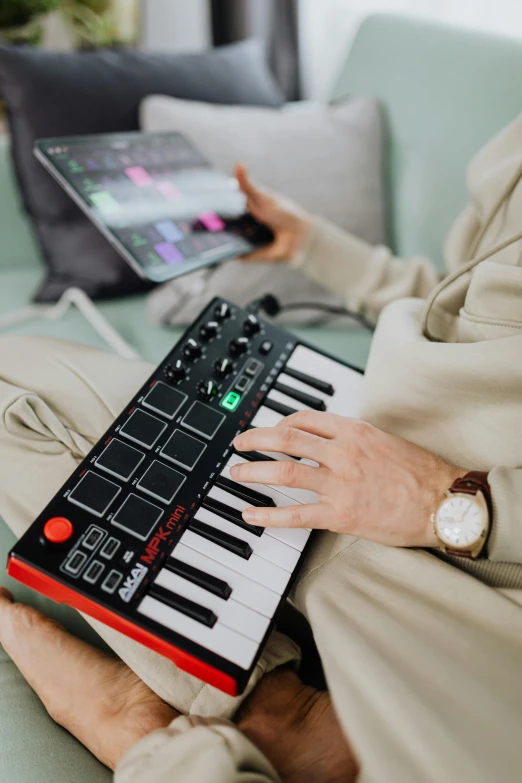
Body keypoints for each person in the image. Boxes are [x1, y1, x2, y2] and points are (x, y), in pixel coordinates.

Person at [1, 113, 522, 783]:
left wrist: (450, 502)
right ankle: (283, 705)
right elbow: (458, 305)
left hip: (473, 590)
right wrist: (309, 242)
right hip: (352, 456)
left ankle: (152, 734)